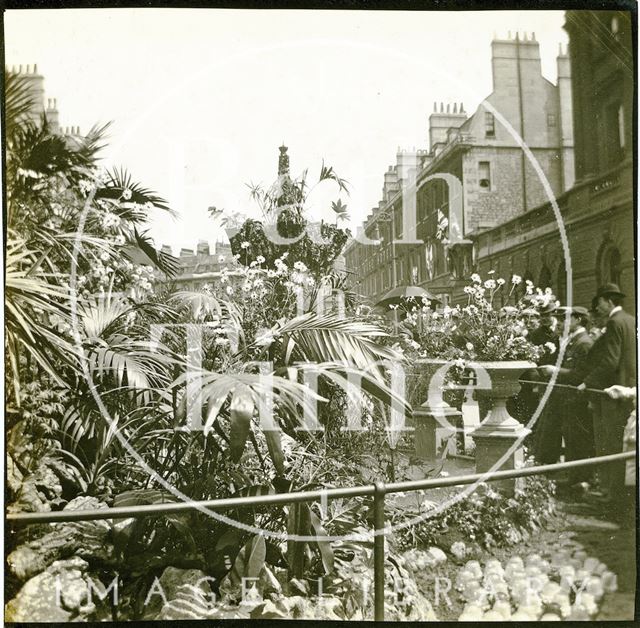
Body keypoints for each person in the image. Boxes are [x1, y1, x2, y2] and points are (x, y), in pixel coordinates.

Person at [579, 283, 636, 508]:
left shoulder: (614, 322)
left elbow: (610, 361)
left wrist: (587, 382)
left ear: (609, 300)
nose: (598, 306)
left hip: (614, 392)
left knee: (611, 443)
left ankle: (612, 495)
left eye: (600, 301)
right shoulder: (630, 320)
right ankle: (618, 493)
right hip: (628, 390)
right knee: (622, 444)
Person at [537, 306, 594, 489]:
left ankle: (581, 478)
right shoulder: (572, 341)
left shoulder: (584, 343)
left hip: (577, 399)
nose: (560, 323)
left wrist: (555, 371)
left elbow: (581, 374)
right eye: (559, 319)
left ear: (578, 320)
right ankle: (574, 477)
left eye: (564, 319)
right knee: (571, 438)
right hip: (567, 398)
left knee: (578, 439)